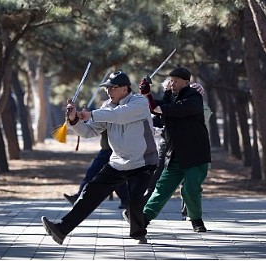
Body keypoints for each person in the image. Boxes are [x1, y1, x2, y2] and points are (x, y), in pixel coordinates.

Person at [41, 71, 158, 245]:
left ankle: (139, 233)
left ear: (125, 88)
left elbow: (120, 115)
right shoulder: (106, 107)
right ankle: (61, 229)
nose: (108, 91)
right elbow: (89, 131)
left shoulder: (139, 103)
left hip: (143, 162)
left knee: (134, 198)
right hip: (118, 162)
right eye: (107, 88)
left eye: (113, 88)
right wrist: (74, 121)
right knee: (90, 193)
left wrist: (91, 114)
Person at [140, 67, 211, 233]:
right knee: (162, 188)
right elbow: (155, 108)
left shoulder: (193, 97)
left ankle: (196, 220)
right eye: (170, 80)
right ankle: (143, 219)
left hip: (195, 154)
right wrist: (145, 94)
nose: (172, 83)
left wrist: (154, 103)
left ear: (186, 82)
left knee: (190, 189)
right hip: (175, 154)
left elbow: (172, 108)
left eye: (176, 80)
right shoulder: (169, 97)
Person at [63, 130, 129, 209]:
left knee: (97, 173)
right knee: (108, 175)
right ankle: (127, 200)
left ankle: (127, 200)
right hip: (107, 149)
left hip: (113, 150)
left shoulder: (111, 118)